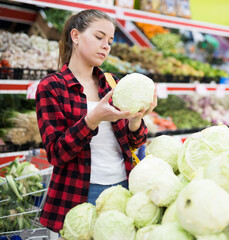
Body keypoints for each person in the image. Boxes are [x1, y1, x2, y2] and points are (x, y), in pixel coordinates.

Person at [35, 9, 156, 233]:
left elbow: (134, 142)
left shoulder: (113, 83)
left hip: (123, 187)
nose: (106, 46)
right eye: (99, 37)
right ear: (76, 36)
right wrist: (92, 120)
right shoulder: (52, 87)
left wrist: (136, 118)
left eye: (110, 41)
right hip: (79, 192)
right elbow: (56, 153)